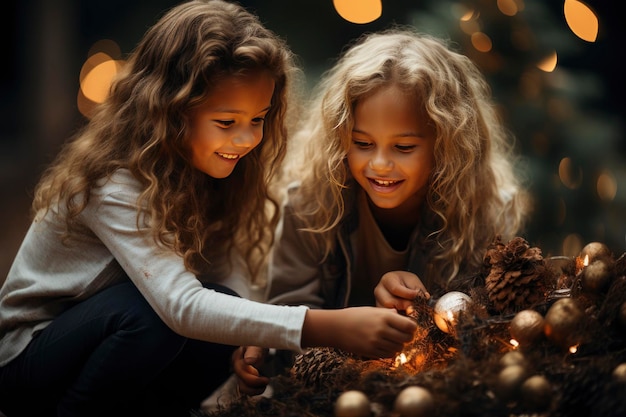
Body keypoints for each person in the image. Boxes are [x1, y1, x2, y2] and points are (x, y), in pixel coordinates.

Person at [0, 3, 418, 416]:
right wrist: (325, 326)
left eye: (258, 119)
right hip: (28, 359)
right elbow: (180, 305)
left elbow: (223, 276)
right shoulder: (113, 183)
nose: (246, 139)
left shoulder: (217, 171)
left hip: (115, 350)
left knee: (221, 306)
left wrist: (250, 344)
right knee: (149, 314)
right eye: (226, 122)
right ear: (170, 108)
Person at [234, 27, 531, 395]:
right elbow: (284, 320)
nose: (379, 164)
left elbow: (486, 329)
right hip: (325, 392)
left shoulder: (483, 214)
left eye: (403, 147)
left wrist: (425, 310)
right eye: (362, 143)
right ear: (341, 136)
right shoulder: (310, 203)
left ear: (448, 145)